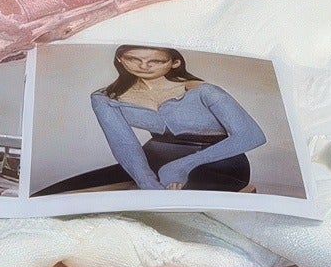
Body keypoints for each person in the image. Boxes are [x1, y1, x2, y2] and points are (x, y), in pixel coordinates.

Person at [44, 46, 266, 194]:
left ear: (175, 62)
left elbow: (251, 135)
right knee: (53, 196)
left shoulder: (205, 91)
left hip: (218, 164)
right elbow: (125, 145)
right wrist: (146, 181)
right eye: (134, 59)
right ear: (120, 59)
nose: (144, 66)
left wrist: (183, 165)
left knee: (168, 210)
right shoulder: (105, 98)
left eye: (156, 61)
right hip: (150, 161)